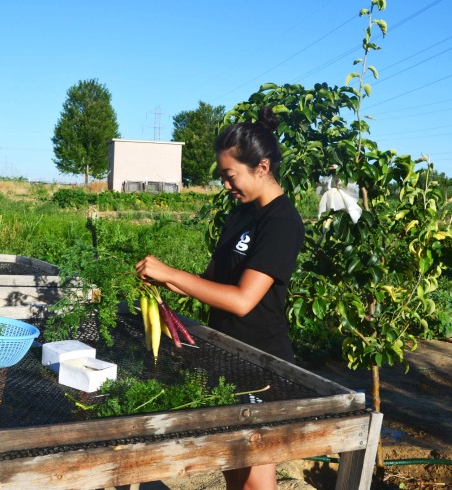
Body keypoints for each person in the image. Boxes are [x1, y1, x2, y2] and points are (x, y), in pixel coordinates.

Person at [135, 106, 305, 490]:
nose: (226, 186)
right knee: (230, 466)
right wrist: (161, 283)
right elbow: (210, 284)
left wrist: (170, 273)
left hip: (261, 363)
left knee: (256, 481)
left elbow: (243, 300)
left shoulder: (281, 223)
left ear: (262, 167)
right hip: (225, 354)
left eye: (231, 176)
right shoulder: (241, 214)